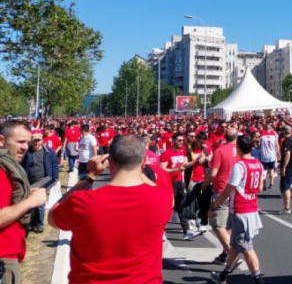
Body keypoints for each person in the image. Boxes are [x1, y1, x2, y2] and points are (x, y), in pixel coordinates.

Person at [49, 135, 173, 284]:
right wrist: (141, 167)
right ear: (143, 162)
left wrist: (90, 176)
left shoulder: (83, 201)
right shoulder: (163, 198)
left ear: (110, 162)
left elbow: (53, 217)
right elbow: (157, 188)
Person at [211, 134, 266, 284]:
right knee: (236, 245)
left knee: (247, 247)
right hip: (252, 207)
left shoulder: (240, 166)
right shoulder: (259, 164)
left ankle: (258, 277)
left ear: (238, 148)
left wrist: (216, 204)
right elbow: (260, 187)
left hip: (240, 209)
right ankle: (223, 276)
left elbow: (229, 189)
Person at [0, 121, 48, 284]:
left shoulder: (8, 167)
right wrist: (30, 202)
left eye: (27, 142)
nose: (26, 147)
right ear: (1, 141)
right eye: (20, 142)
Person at [201, 127, 239, 264]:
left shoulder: (220, 151)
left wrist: (204, 184)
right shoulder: (242, 150)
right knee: (229, 225)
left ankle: (232, 254)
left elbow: (212, 174)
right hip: (238, 191)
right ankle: (225, 254)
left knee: (217, 224)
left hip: (222, 189)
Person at [160, 132, 198, 239]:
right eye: (179, 140)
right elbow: (162, 170)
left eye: (182, 140)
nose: (182, 142)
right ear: (173, 140)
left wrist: (195, 161)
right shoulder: (166, 153)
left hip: (179, 183)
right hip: (169, 183)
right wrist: (177, 169)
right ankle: (160, 231)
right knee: (168, 207)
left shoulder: (183, 151)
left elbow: (184, 166)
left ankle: (186, 231)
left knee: (182, 207)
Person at [20, 133, 58, 233]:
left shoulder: (49, 152)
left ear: (42, 141)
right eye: (34, 141)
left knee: (39, 203)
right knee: (30, 202)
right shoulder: (27, 153)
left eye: (38, 140)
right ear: (31, 142)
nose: (36, 142)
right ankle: (31, 223)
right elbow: (21, 165)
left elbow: (54, 164)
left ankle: (39, 224)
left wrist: (54, 178)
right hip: (29, 181)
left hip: (44, 180)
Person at [259, 123, 279, 190]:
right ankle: (271, 183)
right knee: (271, 170)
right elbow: (277, 145)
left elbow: (259, 144)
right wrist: (278, 153)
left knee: (264, 171)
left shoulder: (262, 135)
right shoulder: (274, 135)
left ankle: (264, 183)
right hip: (271, 156)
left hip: (264, 155)